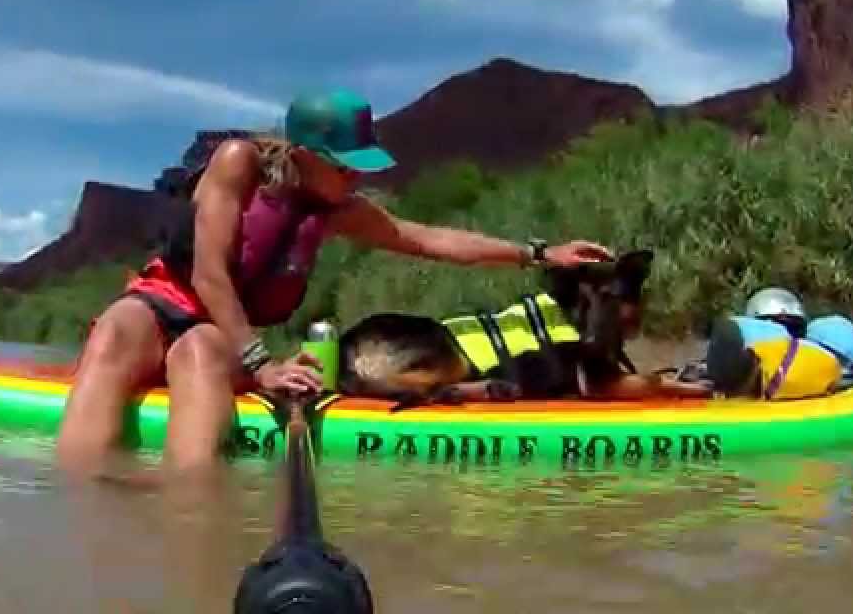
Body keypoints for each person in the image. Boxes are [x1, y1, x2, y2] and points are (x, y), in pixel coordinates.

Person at [55, 88, 614, 476]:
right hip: (168, 300)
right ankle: (82, 512)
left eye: (360, 165)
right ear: (302, 151)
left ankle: (189, 515)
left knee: (199, 351)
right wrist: (261, 363)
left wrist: (542, 253)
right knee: (115, 332)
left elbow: (432, 240)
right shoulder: (237, 163)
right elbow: (207, 273)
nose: (356, 176)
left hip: (216, 334)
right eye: (344, 164)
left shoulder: (336, 209)